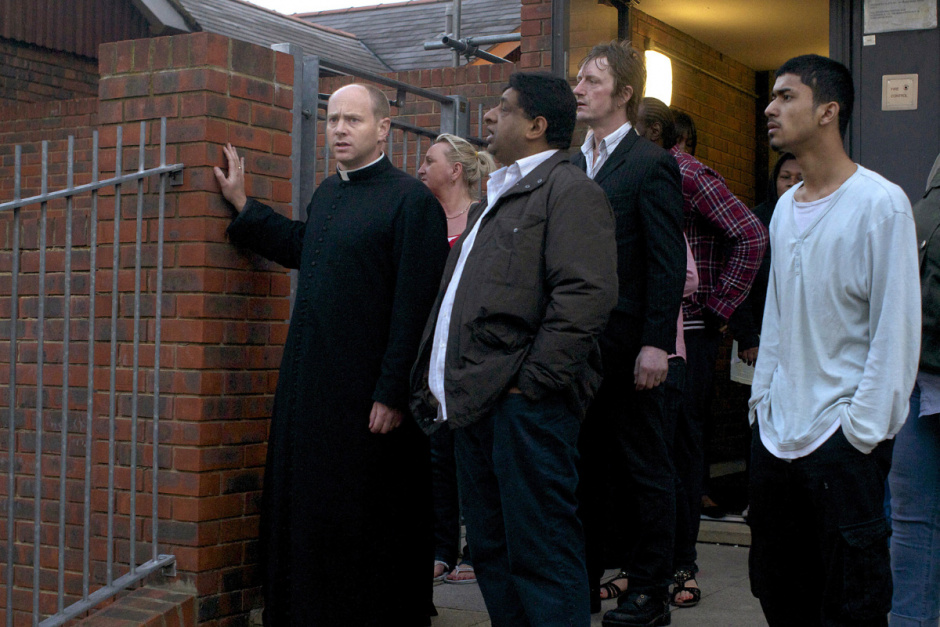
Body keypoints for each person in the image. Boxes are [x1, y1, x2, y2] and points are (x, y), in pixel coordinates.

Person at [213, 83, 451, 626]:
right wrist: (244, 207)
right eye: (333, 120)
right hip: (313, 390)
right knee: (313, 512)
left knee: (365, 518)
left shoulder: (411, 201)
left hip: (369, 398)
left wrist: (391, 392)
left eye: (353, 120)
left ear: (383, 129)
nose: (340, 129)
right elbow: (305, 245)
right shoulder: (327, 192)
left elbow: (416, 310)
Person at [411, 72, 618, 627]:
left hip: (524, 409)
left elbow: (585, 295)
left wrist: (530, 386)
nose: (488, 118)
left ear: (536, 125)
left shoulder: (571, 191)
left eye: (501, 109)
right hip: (474, 408)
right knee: (495, 554)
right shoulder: (496, 199)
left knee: (542, 554)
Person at [748, 54, 920, 627]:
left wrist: (860, 433)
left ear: (828, 111)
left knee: (850, 606)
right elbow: (777, 319)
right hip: (776, 440)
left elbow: (895, 332)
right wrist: (761, 406)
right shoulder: (783, 210)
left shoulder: (880, 204)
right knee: (780, 596)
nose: (770, 109)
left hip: (842, 444)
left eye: (785, 96)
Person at [570, 40, 685, 627]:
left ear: (623, 93)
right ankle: (581, 586)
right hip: (577, 353)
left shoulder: (649, 163)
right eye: (579, 80)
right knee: (583, 470)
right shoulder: (571, 162)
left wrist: (655, 343)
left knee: (645, 472)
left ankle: (649, 592)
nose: (579, 89)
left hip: (631, 350)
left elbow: (666, 261)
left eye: (592, 81)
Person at [636, 97, 767, 608]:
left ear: (649, 130)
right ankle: (644, 563)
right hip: (648, 327)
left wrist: (719, 310)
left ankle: (681, 565)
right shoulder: (625, 169)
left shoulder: (687, 172)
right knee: (647, 450)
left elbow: (751, 235)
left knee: (681, 449)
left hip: (691, 325)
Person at [417, 133, 496, 585]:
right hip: (429, 355)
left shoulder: (483, 217)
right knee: (436, 456)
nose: (422, 168)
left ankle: (475, 550)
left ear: (456, 169)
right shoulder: (422, 217)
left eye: (431, 161)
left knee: (472, 456)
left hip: (469, 357)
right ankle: (442, 546)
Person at [888, 152, 940, 627]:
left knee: (911, 522)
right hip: (922, 384)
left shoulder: (918, 211)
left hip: (919, 383)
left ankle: (908, 619)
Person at [732, 152, 802, 367]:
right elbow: (738, 280)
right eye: (785, 177)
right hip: (758, 337)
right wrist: (747, 336)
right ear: (775, 181)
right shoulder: (754, 221)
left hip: (802, 339)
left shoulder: (821, 220)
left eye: (800, 178)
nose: (792, 184)